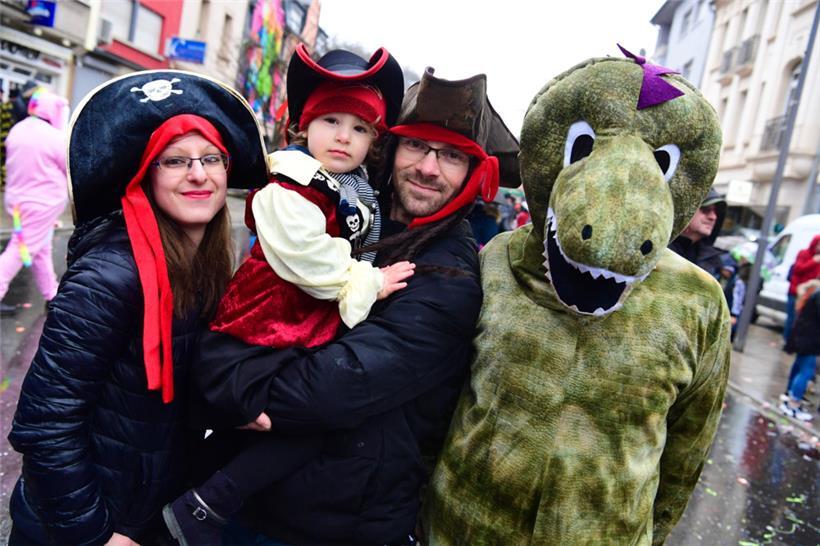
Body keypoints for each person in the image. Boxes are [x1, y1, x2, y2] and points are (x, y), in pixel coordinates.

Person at [187, 67, 520, 546]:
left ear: (472, 173)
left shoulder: (449, 278)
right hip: (261, 500)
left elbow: (335, 386)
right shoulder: (353, 210)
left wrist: (227, 380)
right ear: (392, 148)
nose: (428, 167)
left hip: (329, 524)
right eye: (418, 146)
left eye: (451, 156)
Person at [163, 45, 413, 544]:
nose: (344, 136)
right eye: (331, 121)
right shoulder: (289, 185)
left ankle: (194, 495)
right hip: (261, 328)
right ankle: (205, 503)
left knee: (277, 427)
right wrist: (370, 282)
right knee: (299, 426)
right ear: (304, 126)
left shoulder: (349, 183)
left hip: (297, 328)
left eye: (360, 128)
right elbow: (308, 258)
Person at [7, 71, 268, 545]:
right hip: (76, 528)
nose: (198, 173)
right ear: (146, 175)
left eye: (211, 158)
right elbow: (45, 424)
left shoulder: (207, 265)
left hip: (142, 516)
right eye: (175, 161)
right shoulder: (110, 276)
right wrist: (95, 534)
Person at [0, 89, 68, 316]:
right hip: (42, 204)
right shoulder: (53, 137)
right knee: (19, 251)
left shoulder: (18, 129)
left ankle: (52, 294)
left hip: (18, 201)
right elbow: (68, 167)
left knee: (40, 250)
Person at [780, 278, 820, 421]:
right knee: (806, 371)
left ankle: (789, 400)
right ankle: (793, 404)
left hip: (804, 337)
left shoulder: (813, 293)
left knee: (799, 367)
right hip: (811, 339)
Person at [668, 187, 727, 278]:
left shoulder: (714, 261)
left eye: (716, 212)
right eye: (706, 210)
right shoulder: (659, 250)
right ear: (686, 210)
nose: (713, 217)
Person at [782, 235, 820, 344]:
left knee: (802, 321)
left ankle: (795, 343)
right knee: (792, 318)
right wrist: (813, 261)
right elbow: (798, 269)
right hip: (795, 292)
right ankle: (787, 342)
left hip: (809, 294)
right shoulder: (804, 254)